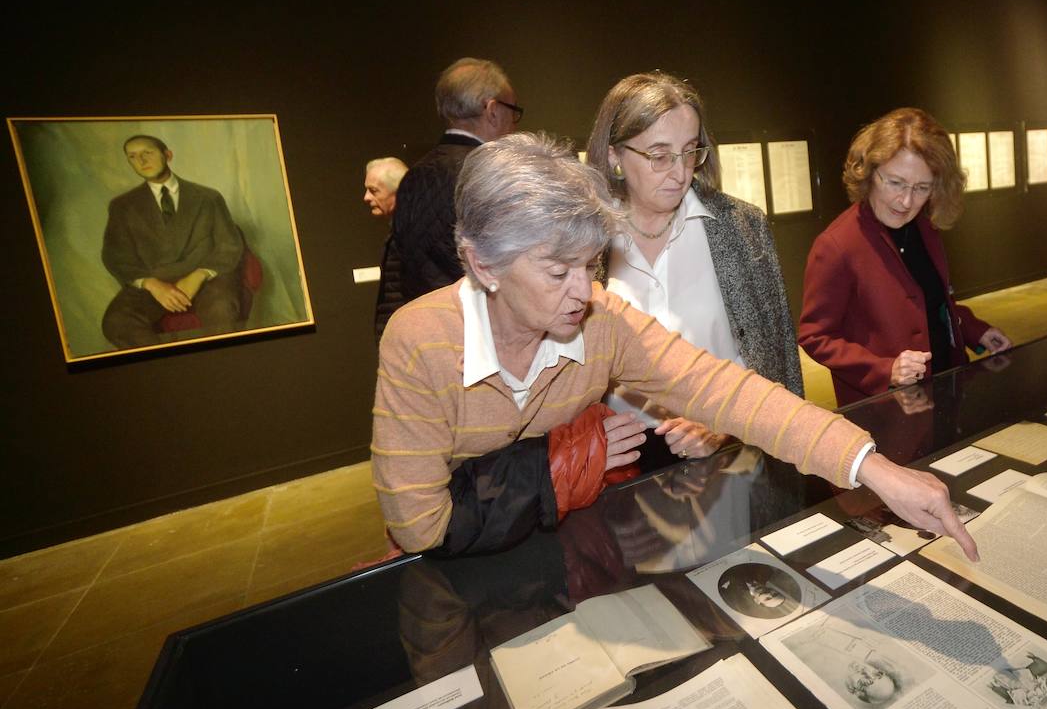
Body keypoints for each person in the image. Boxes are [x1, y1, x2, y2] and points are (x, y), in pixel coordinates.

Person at [371, 132, 980, 563]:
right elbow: (421, 526)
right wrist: (561, 464)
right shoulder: (419, 341)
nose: (583, 291)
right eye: (558, 271)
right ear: (484, 264)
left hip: (562, 556)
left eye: (589, 264)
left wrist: (874, 469)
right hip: (459, 573)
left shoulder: (601, 321)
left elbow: (728, 391)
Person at [586, 72, 803, 459]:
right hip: (622, 463)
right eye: (659, 156)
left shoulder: (741, 228)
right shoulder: (584, 239)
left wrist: (723, 423)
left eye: (690, 151)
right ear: (614, 155)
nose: (681, 172)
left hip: (730, 456)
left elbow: (773, 355)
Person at [798, 108, 1011, 406]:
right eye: (896, 183)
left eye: (922, 188)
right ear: (869, 172)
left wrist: (975, 330)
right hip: (886, 408)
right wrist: (885, 369)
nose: (907, 201)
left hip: (946, 388)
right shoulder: (836, 245)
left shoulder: (925, 228)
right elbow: (816, 336)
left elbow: (932, 302)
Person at [391, 57, 521, 303]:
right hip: (481, 314)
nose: (514, 124)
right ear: (493, 111)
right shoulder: (493, 173)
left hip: (426, 312)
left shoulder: (413, 175)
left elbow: (403, 263)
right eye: (513, 111)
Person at [101, 134, 244, 348]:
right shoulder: (122, 206)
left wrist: (199, 275)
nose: (142, 161)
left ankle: (222, 364)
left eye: (147, 153)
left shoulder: (208, 198)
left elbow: (229, 245)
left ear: (167, 155)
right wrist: (152, 285)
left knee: (221, 309)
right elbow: (116, 256)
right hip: (154, 283)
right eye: (133, 156)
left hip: (206, 280)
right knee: (116, 322)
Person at [364, 156, 409, 338]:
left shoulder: (409, 233)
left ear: (398, 192)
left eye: (373, 191)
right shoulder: (400, 231)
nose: (366, 197)